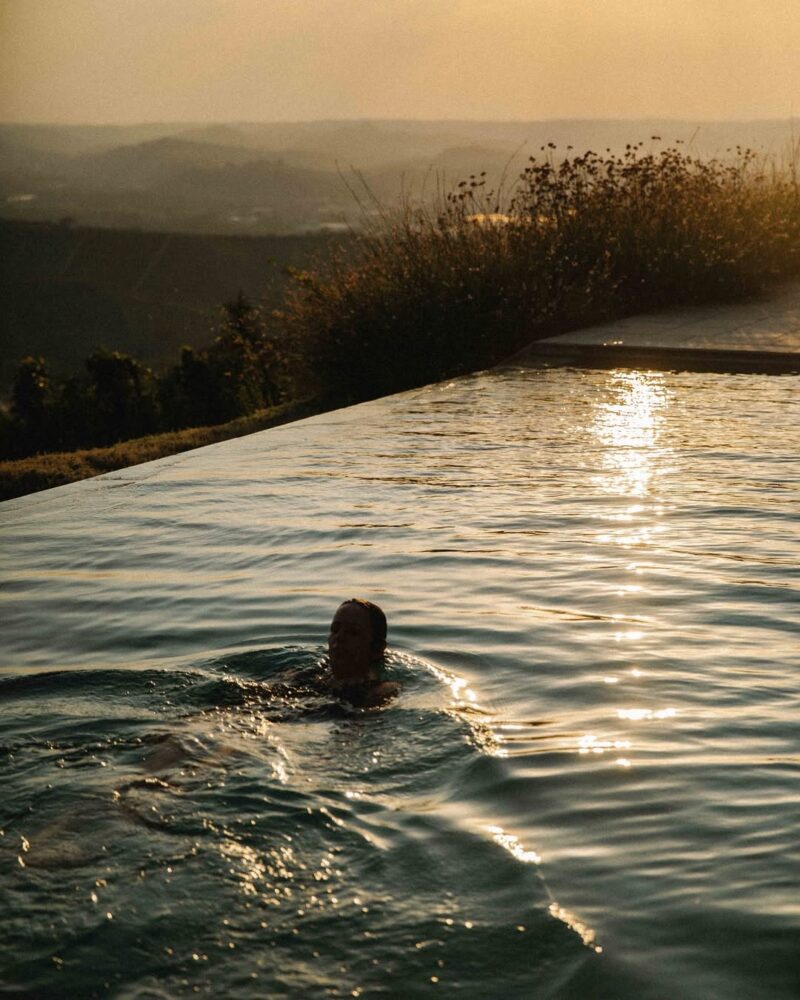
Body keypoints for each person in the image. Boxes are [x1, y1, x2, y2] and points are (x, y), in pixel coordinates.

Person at [325, 598, 400, 707]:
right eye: (335, 629)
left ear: (376, 649)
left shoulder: (381, 691)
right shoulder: (309, 675)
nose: (339, 637)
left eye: (353, 632)